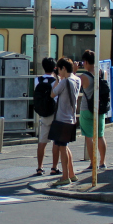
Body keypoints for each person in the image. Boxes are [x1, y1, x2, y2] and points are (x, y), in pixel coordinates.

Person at [49, 57, 81, 186]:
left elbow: (52, 94)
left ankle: (65, 176)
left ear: (63, 68)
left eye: (59, 69)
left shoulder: (64, 82)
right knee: (66, 147)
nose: (58, 72)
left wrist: (57, 80)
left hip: (62, 119)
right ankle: (71, 174)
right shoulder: (77, 80)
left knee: (63, 148)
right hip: (71, 118)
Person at [78, 49, 107, 170]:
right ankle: (102, 162)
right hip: (100, 108)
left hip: (86, 109)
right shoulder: (102, 72)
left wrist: (74, 70)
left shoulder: (84, 77)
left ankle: (92, 163)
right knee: (100, 135)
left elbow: (75, 85)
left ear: (85, 62)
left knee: (89, 136)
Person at [35, 57, 61, 177]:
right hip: (55, 113)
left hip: (43, 114)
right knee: (56, 141)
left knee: (42, 142)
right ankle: (54, 168)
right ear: (55, 68)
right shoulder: (56, 81)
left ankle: (40, 167)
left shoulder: (37, 80)